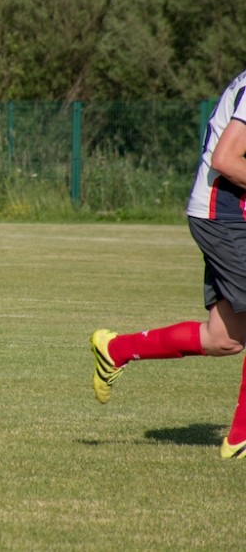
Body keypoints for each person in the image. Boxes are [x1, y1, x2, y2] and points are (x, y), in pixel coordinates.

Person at [91, 68, 246, 459]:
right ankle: (241, 438)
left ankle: (115, 349)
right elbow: (227, 159)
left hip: (229, 215)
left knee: (223, 338)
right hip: (223, 214)